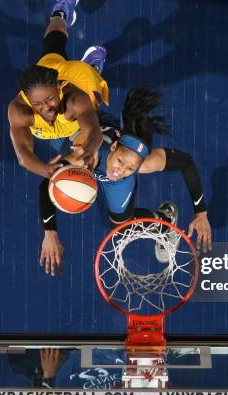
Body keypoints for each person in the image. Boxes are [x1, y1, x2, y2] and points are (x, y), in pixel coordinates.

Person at [38, 88, 212, 276]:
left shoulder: (143, 162)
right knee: (51, 110)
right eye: (120, 161)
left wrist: (201, 212)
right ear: (114, 146)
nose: (119, 171)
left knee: (121, 229)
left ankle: (165, 221)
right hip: (70, 135)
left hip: (112, 173)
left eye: (130, 169)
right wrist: (50, 233)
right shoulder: (86, 157)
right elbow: (47, 184)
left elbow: (185, 163)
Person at [8, 0, 109, 179]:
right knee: (52, 47)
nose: (46, 108)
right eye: (37, 104)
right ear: (27, 98)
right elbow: (23, 155)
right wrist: (46, 170)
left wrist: (90, 147)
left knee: (90, 84)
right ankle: (60, 16)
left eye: (49, 100)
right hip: (51, 73)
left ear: (58, 86)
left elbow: (94, 131)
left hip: (77, 77)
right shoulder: (20, 109)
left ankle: (90, 64)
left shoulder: (75, 100)